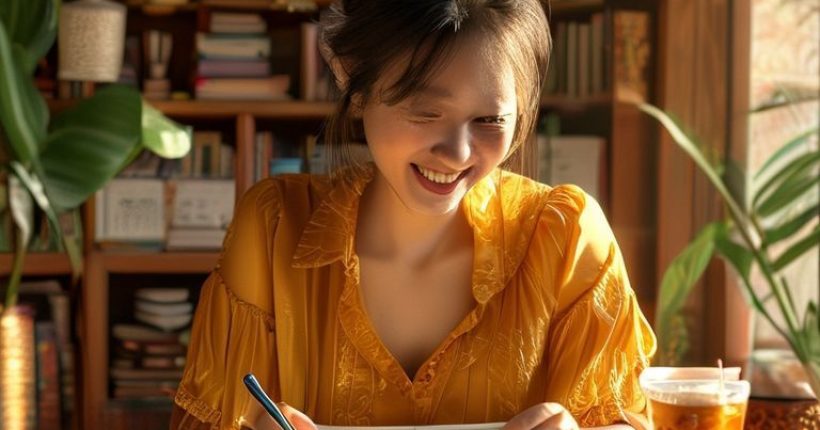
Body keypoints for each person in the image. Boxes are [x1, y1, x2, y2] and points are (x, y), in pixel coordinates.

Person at [170, 1, 656, 429]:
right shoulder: (274, 227)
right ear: (353, 80)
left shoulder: (566, 235)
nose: (457, 152)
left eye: (489, 120)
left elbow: (622, 419)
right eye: (425, 112)